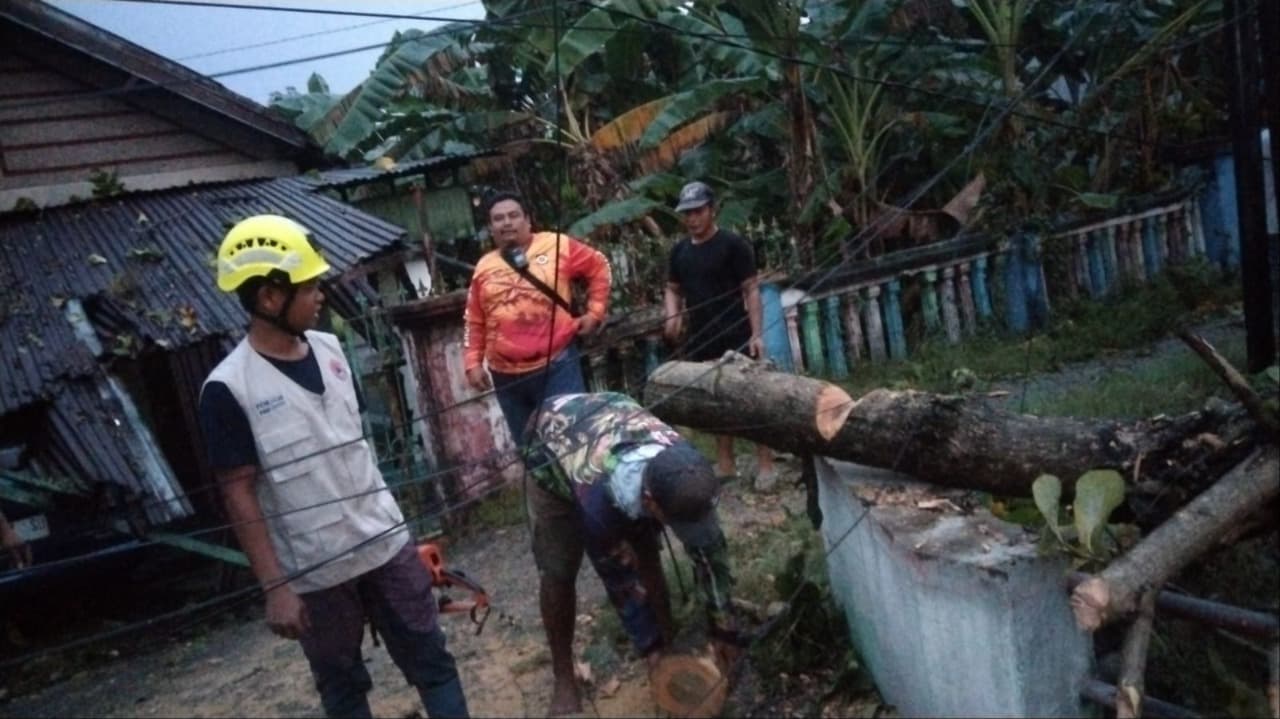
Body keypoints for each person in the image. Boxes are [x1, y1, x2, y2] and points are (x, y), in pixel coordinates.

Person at [198, 215, 468, 719]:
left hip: (384, 543)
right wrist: (275, 588)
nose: (320, 296)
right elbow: (238, 494)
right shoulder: (228, 389)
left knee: (433, 660)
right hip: (317, 570)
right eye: (309, 287)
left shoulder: (331, 349)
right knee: (342, 688)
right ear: (269, 298)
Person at [523, 391, 744, 716]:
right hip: (549, 444)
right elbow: (622, 585)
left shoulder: (686, 469)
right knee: (559, 570)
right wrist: (649, 649)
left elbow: (710, 556)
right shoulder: (599, 510)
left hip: (614, 427)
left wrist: (725, 628)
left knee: (646, 549)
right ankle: (564, 677)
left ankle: (671, 646)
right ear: (651, 502)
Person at [463, 190, 611, 449]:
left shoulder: (557, 245)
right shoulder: (484, 268)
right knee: (530, 451)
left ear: (527, 220)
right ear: (491, 228)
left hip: (557, 366)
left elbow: (599, 265)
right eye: (498, 218)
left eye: (513, 215)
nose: (507, 223)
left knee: (571, 442)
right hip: (506, 377)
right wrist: (472, 362)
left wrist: (595, 312)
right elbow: (475, 319)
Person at [663, 181, 778, 490]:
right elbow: (672, 289)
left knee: (752, 400)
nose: (692, 219)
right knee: (714, 403)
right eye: (687, 213)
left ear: (712, 210)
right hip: (702, 336)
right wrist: (672, 316)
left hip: (736, 332)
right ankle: (726, 464)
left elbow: (751, 289)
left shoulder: (733, 245)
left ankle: (766, 465)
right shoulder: (680, 252)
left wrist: (757, 334)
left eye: (698, 211)